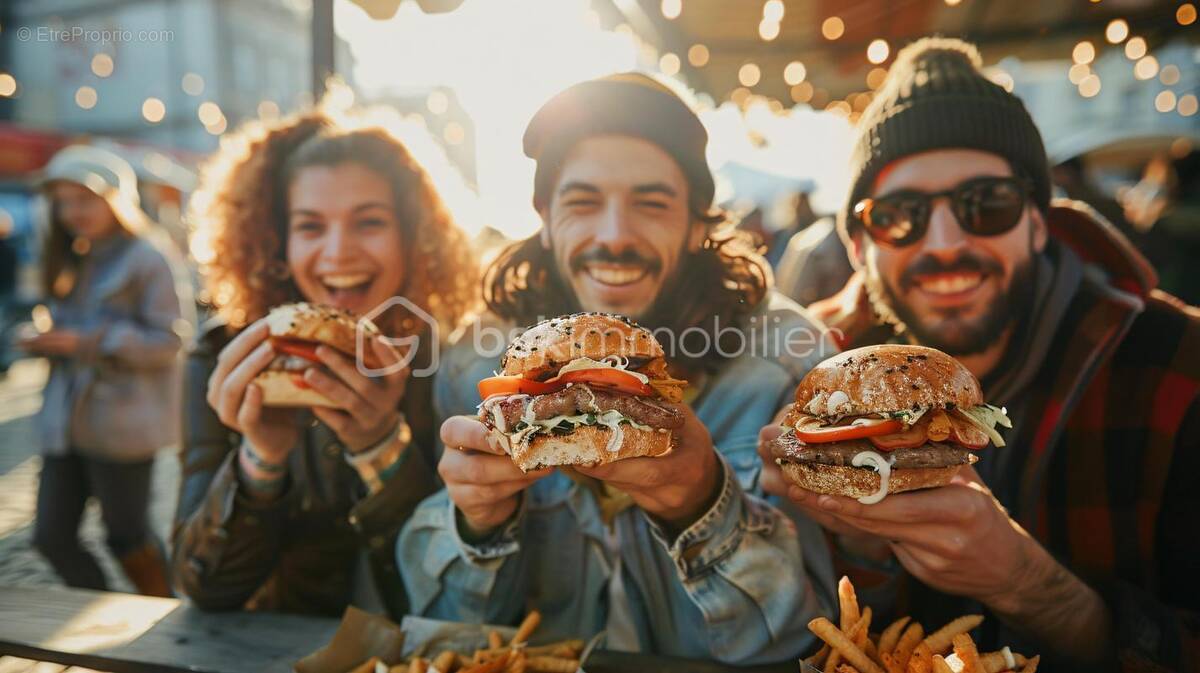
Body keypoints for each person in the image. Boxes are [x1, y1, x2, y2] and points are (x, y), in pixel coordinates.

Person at [758, 38, 1199, 671]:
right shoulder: (807, 363)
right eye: (900, 215)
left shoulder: (1179, 364)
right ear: (859, 246)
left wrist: (1031, 586)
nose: (945, 244)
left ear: (1038, 221)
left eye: (986, 203)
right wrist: (860, 547)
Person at [397, 73, 838, 664]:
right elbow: (445, 635)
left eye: (651, 204)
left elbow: (801, 640)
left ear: (697, 224)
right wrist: (475, 525)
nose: (614, 236)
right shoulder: (475, 363)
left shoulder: (788, 361)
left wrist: (701, 504)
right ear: (544, 216)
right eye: (582, 203)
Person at [173, 107, 478, 619]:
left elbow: (457, 593)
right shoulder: (225, 356)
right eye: (310, 226)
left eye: (370, 222)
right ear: (277, 243)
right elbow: (200, 586)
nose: (338, 252)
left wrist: (381, 447)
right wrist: (261, 460)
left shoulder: (445, 361)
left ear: (414, 237)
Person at [23, 145, 193, 596]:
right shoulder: (70, 257)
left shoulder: (147, 257)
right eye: (62, 201)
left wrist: (88, 342)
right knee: (51, 537)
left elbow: (171, 339)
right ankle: (100, 617)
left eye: (83, 199)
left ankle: (166, 623)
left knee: (128, 536)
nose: (71, 212)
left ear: (114, 199)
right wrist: (44, 340)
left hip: (122, 423)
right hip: (64, 422)